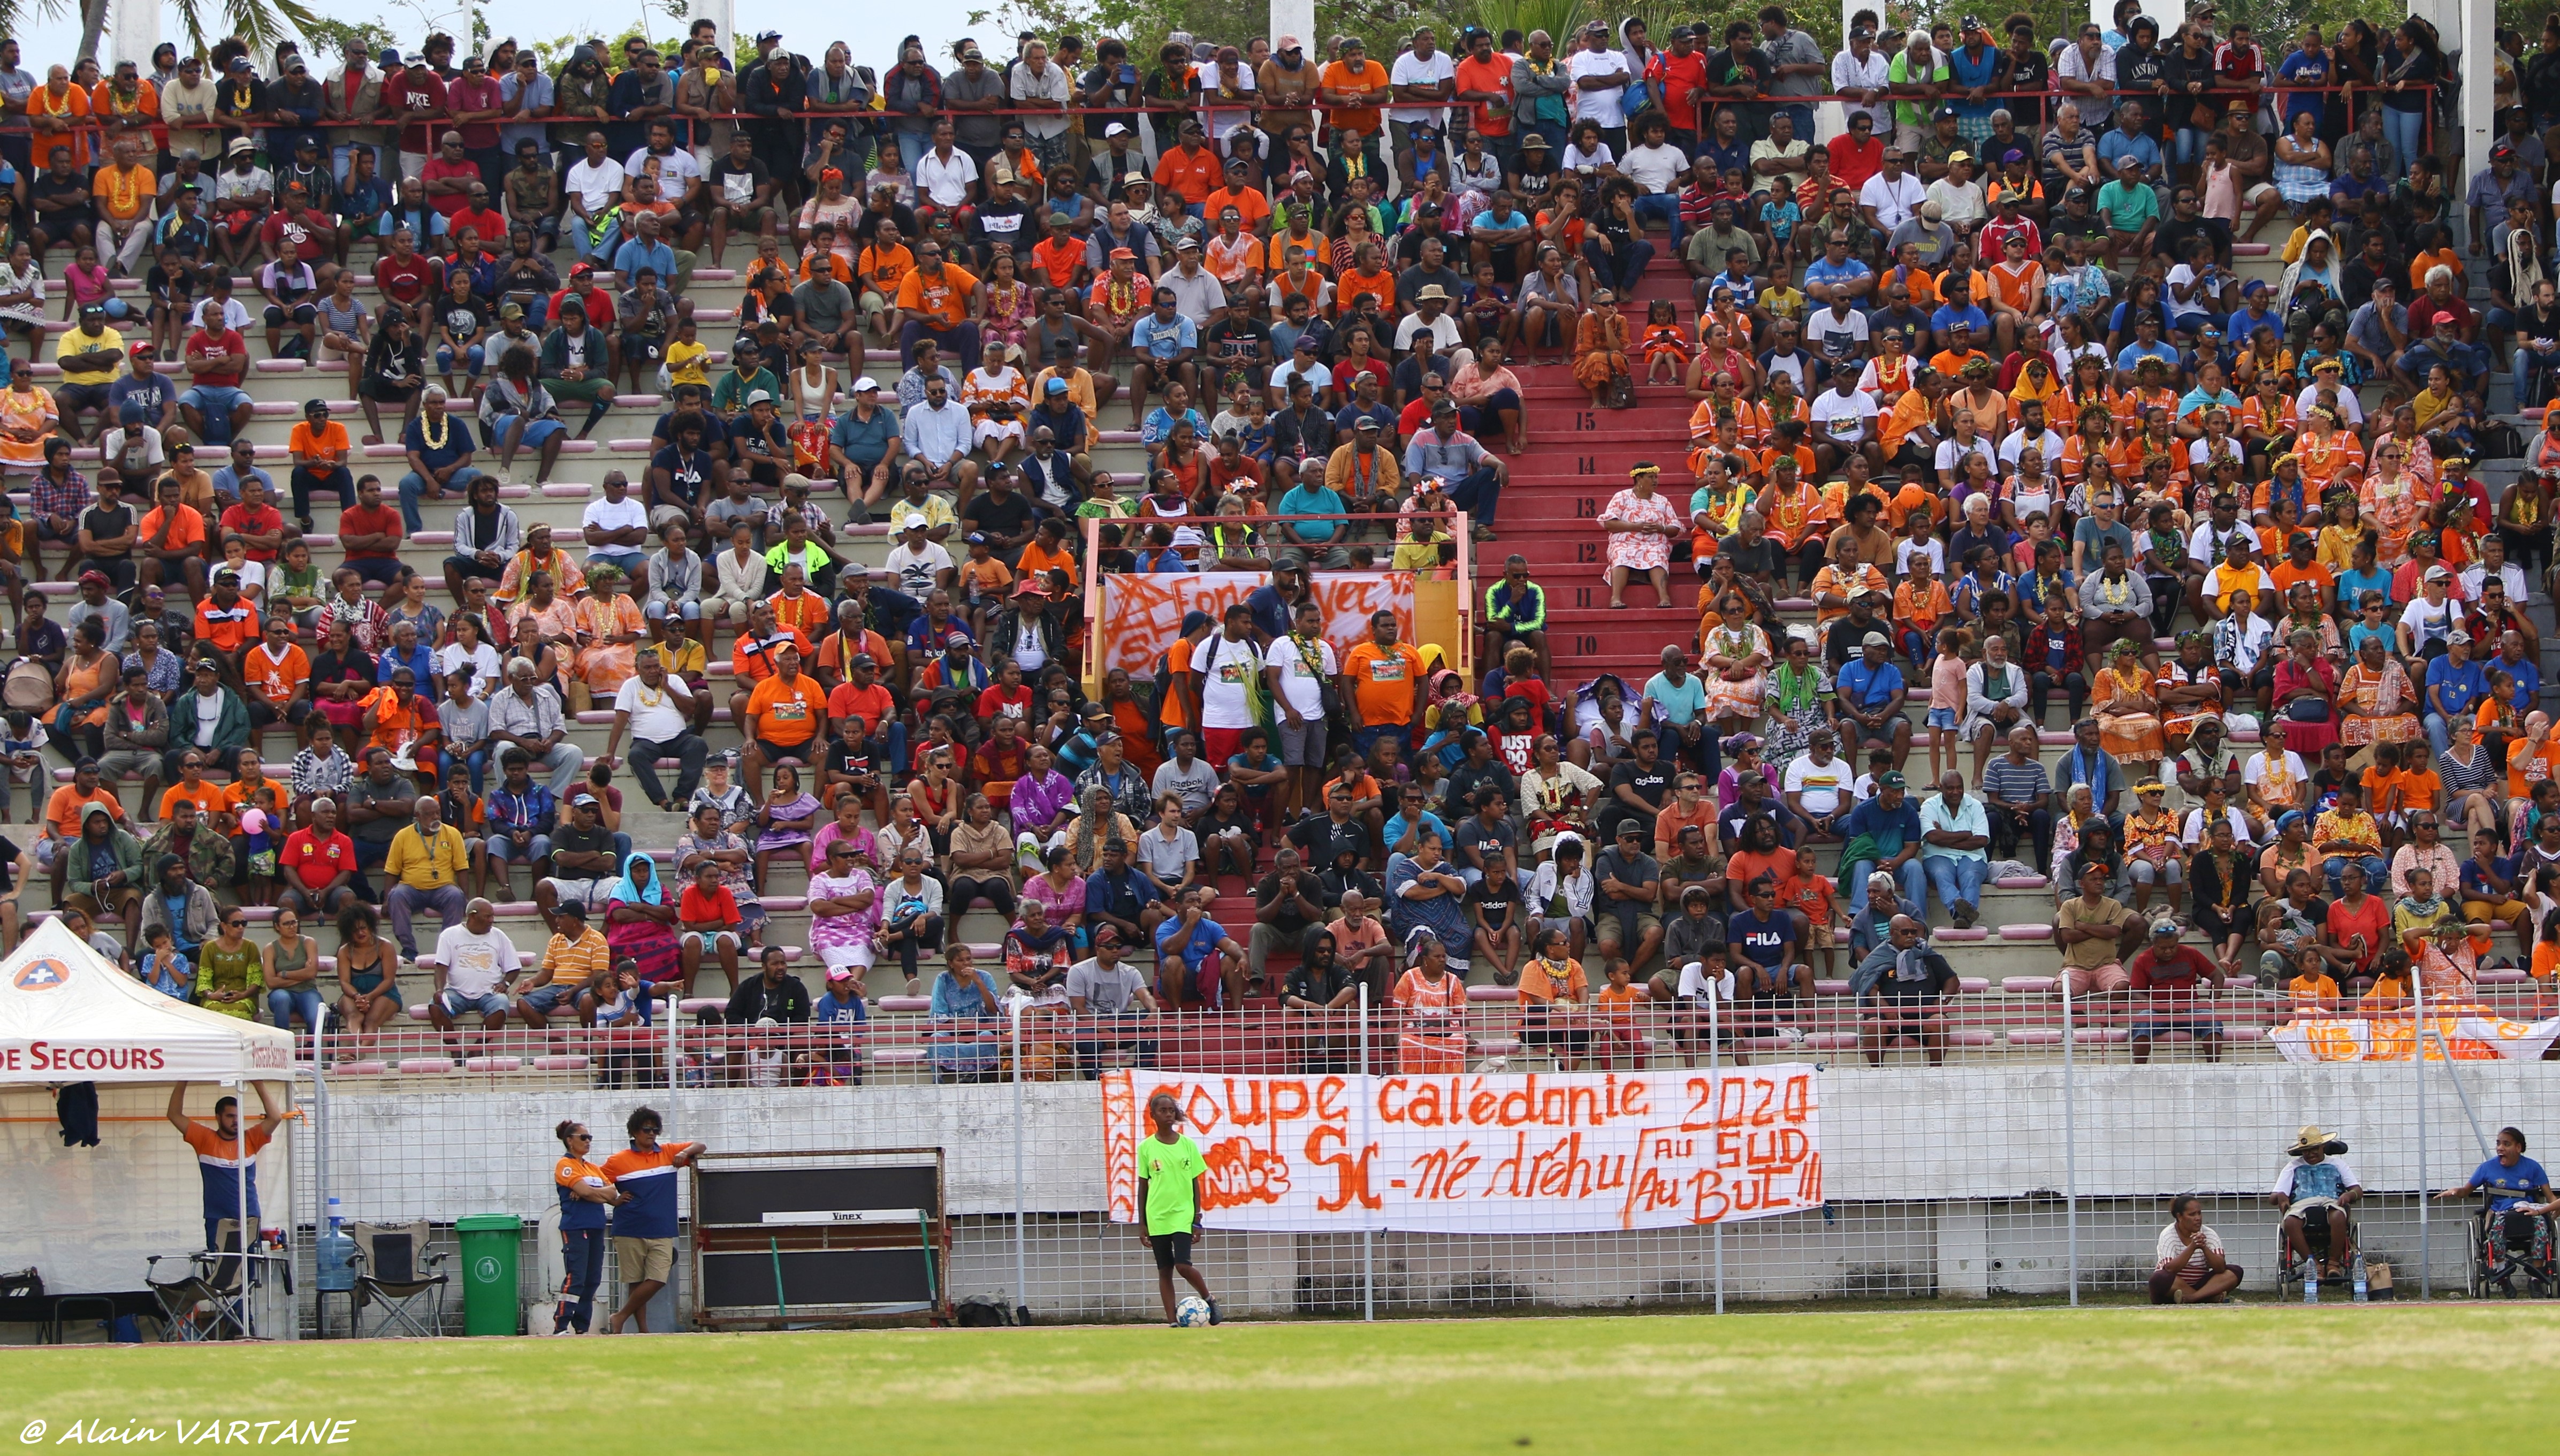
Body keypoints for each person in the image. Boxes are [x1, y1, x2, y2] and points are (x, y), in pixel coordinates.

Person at [599, 1104, 704, 1336]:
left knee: (658, 1278)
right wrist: (613, 1200)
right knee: (635, 1281)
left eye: (655, 1130)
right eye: (647, 1130)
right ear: (635, 1132)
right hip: (629, 1227)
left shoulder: (667, 1152)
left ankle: (620, 1316)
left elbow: (701, 1145)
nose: (652, 1134)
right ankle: (643, 1331)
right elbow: (596, 1181)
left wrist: (685, 1153)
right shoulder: (618, 1160)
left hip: (662, 1228)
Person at [165, 1080, 284, 1251]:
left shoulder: (250, 1138)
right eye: (230, 1116)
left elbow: (276, 1118)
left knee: (248, 1271)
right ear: (218, 1117)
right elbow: (174, 1115)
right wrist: (184, 1080)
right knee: (222, 1271)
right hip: (218, 1219)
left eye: (238, 1116)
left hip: (249, 1217)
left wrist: (258, 1084)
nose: (236, 1121)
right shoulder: (204, 1138)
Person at [1133, 1089, 1218, 1325]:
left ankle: (1209, 1299)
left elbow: (1195, 1183)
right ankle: (1173, 1322)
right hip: (1157, 1216)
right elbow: (1144, 1186)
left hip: (1182, 1214)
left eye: (1172, 1110)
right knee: (1165, 1270)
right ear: (1153, 1115)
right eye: (1163, 1111)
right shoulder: (1147, 1148)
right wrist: (1143, 1224)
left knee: (1182, 1264)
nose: (1169, 1115)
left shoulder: (1187, 1145)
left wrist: (1196, 1219)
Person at [549, 1118, 624, 1337]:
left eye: (589, 1137)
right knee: (577, 1277)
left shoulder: (591, 1168)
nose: (588, 1141)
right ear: (570, 1141)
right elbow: (589, 1192)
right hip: (576, 1227)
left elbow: (612, 1193)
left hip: (596, 1226)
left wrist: (589, 1193)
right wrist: (590, 1192)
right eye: (584, 1137)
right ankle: (561, 1325)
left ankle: (582, 1326)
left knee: (592, 1279)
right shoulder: (565, 1165)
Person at [2271, 1124, 2362, 1283]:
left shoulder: (2337, 1164)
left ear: (2323, 1147)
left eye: (2315, 1149)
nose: (2310, 1154)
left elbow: (2357, 1190)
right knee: (2290, 1222)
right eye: (2306, 1150)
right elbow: (2274, 1197)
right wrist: (2281, 1196)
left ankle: (2334, 1263)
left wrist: (2348, 1195)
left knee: (2339, 1216)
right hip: (2302, 1203)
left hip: (2331, 1200)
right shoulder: (2293, 1167)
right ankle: (2313, 1265)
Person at [2151, 1193, 2243, 1305]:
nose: (2198, 1218)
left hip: (2201, 1285)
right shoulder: (2168, 1235)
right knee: (2159, 1278)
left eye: (2199, 1213)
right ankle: (2207, 1299)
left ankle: (2194, 1298)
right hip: (2175, 1288)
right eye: (2192, 1215)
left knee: (2235, 1271)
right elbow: (2170, 1269)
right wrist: (2193, 1247)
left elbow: (2220, 1268)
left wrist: (2204, 1246)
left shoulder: (2209, 1234)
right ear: (2180, 1217)